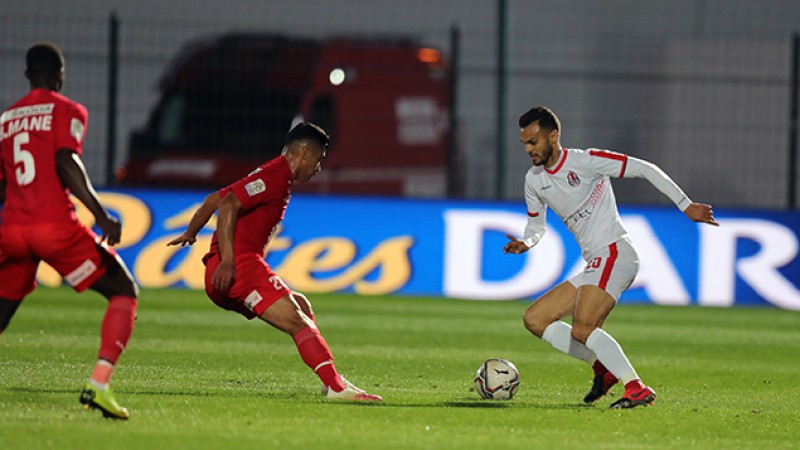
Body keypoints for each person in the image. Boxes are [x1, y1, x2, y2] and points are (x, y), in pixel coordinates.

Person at [504, 106, 718, 409]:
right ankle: (602, 367)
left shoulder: (587, 161)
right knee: (535, 319)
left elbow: (645, 168)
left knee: (583, 328)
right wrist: (528, 242)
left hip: (615, 251)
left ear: (554, 136)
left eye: (534, 142)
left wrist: (686, 205)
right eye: (525, 143)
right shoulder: (534, 180)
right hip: (596, 261)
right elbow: (536, 225)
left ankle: (636, 388)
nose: (528, 149)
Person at [167, 122, 381, 402]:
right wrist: (229, 261)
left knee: (301, 306)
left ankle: (329, 381)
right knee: (297, 321)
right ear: (304, 153)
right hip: (238, 267)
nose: (318, 168)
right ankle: (337, 388)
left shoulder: (268, 173)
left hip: (227, 269)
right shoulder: (275, 176)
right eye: (318, 159)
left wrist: (191, 232)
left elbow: (212, 200)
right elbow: (229, 204)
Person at [0, 43, 138, 419]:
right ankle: (99, 385)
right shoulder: (67, 110)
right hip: (54, 227)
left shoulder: (6, 120)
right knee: (124, 291)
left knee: (3, 312)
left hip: (13, 228)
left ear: (28, 75)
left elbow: (2, 185)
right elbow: (65, 159)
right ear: (60, 76)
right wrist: (101, 214)